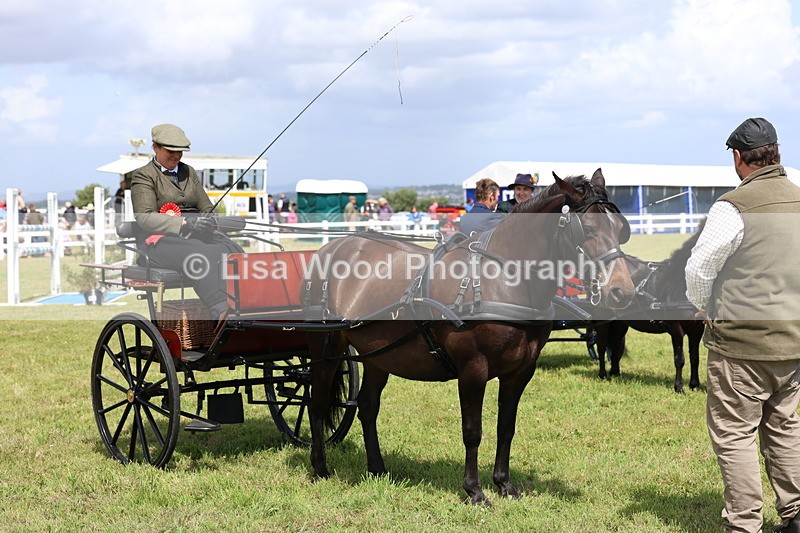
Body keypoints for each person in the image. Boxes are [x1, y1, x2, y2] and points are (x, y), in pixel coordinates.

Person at [685, 117, 800, 533]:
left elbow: (699, 269)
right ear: (776, 152)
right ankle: (795, 514)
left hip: (740, 345)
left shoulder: (733, 205)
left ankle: (744, 524)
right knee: (785, 429)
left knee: (735, 435)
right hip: (792, 342)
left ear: (739, 157)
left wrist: (704, 306)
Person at [130, 123, 243, 321]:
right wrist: (184, 223)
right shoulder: (144, 175)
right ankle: (221, 310)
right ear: (155, 147)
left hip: (194, 236)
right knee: (203, 255)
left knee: (232, 249)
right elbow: (145, 216)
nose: (176, 156)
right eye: (170, 151)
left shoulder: (188, 172)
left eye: (180, 152)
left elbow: (205, 206)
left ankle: (245, 302)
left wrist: (210, 218)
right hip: (159, 242)